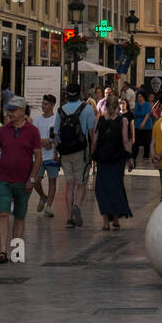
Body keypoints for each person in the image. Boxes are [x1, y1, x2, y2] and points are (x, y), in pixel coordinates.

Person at [0, 96, 42, 264]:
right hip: (3, 178)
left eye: (13, 110)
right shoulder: (3, 131)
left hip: (23, 180)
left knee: (19, 215)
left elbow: (38, 157)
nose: (9, 113)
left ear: (22, 111)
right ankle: (3, 251)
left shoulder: (33, 131)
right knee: (2, 213)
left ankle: (16, 250)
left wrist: (32, 178)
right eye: (8, 110)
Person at [90, 91, 133, 229]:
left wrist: (92, 155)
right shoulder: (123, 121)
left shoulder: (100, 120)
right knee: (116, 188)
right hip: (117, 159)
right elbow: (126, 141)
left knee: (102, 189)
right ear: (117, 107)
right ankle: (115, 219)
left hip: (103, 159)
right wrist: (130, 158)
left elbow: (95, 141)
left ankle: (105, 222)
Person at [57, 84, 95, 228]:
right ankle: (77, 206)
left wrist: (57, 152)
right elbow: (91, 132)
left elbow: (56, 135)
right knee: (81, 182)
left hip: (65, 152)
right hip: (81, 150)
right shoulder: (87, 109)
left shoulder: (61, 110)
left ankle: (68, 219)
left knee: (69, 184)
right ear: (80, 93)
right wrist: (93, 149)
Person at [32, 94, 60, 218]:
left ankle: (49, 207)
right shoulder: (37, 120)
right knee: (36, 180)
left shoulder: (56, 119)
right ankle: (43, 196)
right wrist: (45, 142)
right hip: (39, 156)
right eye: (43, 104)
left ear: (52, 105)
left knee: (52, 180)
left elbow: (57, 138)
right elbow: (33, 138)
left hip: (52, 156)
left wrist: (54, 148)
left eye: (46, 104)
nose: (43, 106)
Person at [131, 91, 153, 164]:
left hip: (146, 125)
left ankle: (146, 156)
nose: (139, 98)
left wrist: (143, 122)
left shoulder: (147, 104)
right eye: (138, 97)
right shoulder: (137, 104)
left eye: (140, 97)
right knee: (136, 141)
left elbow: (147, 114)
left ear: (143, 97)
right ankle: (134, 156)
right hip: (137, 124)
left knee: (147, 141)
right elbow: (135, 114)